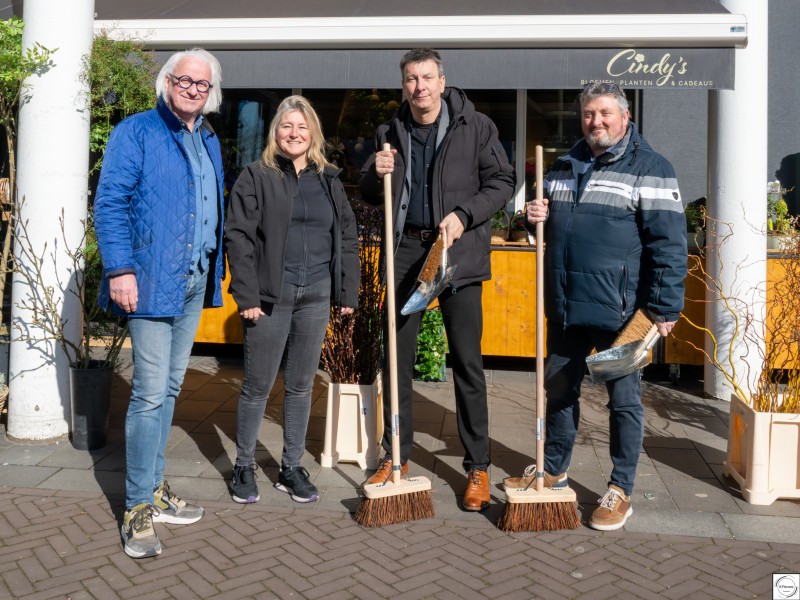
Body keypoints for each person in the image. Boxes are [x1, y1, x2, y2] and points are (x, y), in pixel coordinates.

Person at [511, 82, 687, 530]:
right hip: (567, 307)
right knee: (560, 392)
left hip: (621, 313)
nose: (597, 122)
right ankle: (554, 469)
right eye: (589, 114)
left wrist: (663, 309)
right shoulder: (564, 165)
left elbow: (668, 245)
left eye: (605, 113)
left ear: (625, 117)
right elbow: (544, 233)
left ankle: (620, 489)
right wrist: (532, 220)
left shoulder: (652, 168)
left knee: (624, 402)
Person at [359, 48, 515, 511]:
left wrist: (465, 215)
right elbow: (371, 191)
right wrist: (373, 172)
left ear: (442, 82)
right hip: (407, 250)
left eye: (427, 77)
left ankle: (479, 467)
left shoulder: (476, 125)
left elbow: (502, 182)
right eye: (411, 79)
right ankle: (398, 455)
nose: (419, 87)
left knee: (467, 361)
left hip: (457, 252)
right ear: (403, 85)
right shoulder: (390, 130)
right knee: (397, 357)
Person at [95, 49, 225, 558]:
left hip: (192, 281)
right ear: (166, 81)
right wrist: (120, 269)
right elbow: (110, 202)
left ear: (211, 92)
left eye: (201, 83)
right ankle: (135, 509)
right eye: (183, 79)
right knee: (150, 393)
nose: (192, 88)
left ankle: (153, 486)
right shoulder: (138, 131)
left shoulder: (209, 138)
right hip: (149, 280)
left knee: (170, 388)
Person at [225, 95, 359, 506]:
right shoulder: (256, 176)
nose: (294, 134)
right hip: (270, 296)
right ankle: (244, 466)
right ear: (275, 133)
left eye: (302, 127)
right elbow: (239, 236)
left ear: (312, 133)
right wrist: (246, 294)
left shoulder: (329, 179)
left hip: (316, 294)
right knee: (257, 387)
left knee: (301, 386)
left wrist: (345, 292)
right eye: (287, 127)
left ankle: (290, 468)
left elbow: (348, 237)